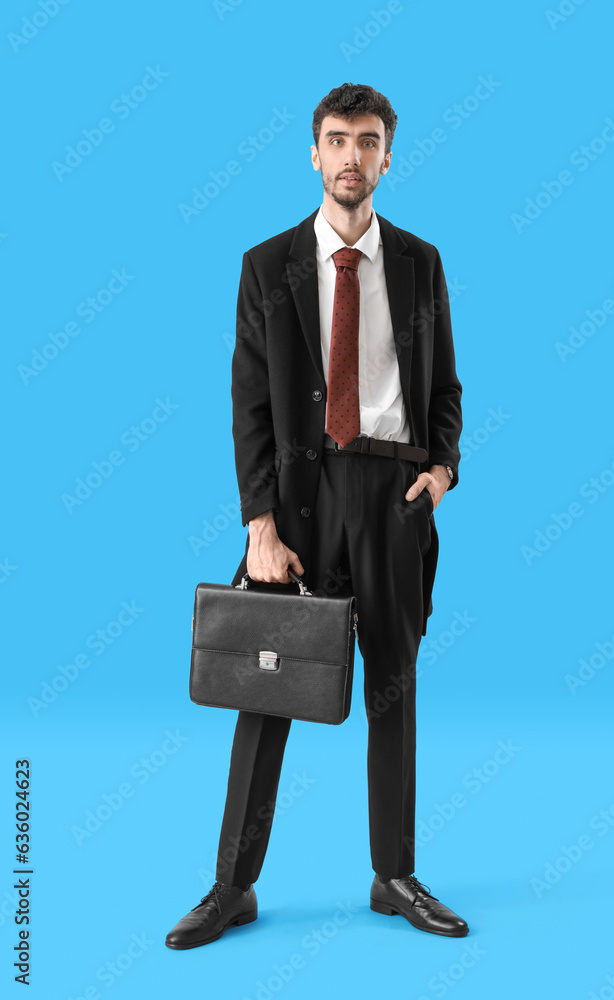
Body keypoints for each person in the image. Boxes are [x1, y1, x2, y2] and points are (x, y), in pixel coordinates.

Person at [166, 82, 467, 949]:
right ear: (312, 152)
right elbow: (249, 403)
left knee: (393, 688)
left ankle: (394, 875)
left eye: (366, 141)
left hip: (393, 497)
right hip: (297, 503)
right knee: (265, 687)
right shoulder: (267, 265)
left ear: (386, 156)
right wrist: (259, 521)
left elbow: (444, 385)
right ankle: (231, 886)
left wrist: (441, 471)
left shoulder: (420, 262)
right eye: (336, 139)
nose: (350, 156)